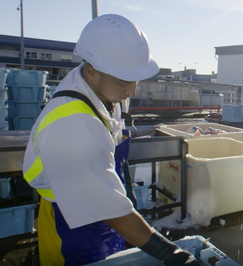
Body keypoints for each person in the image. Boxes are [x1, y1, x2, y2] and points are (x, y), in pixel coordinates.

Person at [22, 14, 196, 266]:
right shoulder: (71, 126)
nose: (133, 91)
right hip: (69, 220)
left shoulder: (103, 87)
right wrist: (170, 253)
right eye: (125, 81)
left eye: (136, 79)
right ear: (91, 72)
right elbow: (108, 208)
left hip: (102, 209)